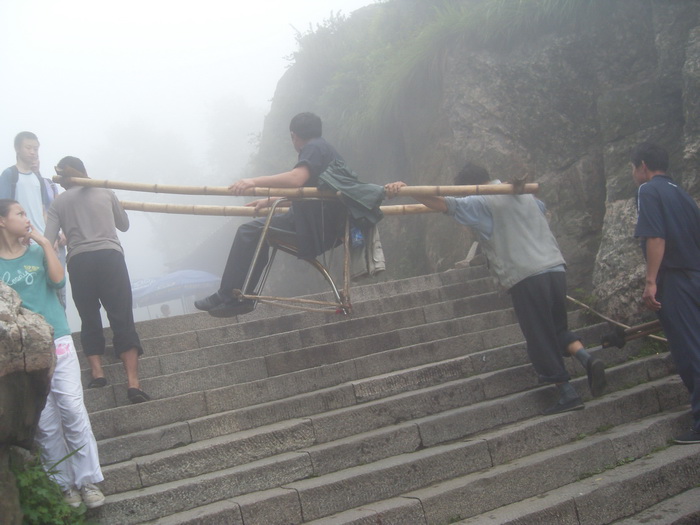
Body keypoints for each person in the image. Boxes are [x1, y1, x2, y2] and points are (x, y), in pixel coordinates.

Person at [385, 162, 607, 415]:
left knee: (539, 336)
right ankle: (588, 359)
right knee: (557, 328)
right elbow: (543, 211)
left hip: (526, 275)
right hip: (555, 268)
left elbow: (443, 204)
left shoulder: (481, 201)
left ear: (468, 188)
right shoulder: (521, 193)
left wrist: (407, 189)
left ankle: (567, 392)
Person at [0, 199, 105, 509]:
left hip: (57, 338)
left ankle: (88, 482)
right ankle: (64, 486)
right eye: (19, 213)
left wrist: (45, 243)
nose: (26, 217)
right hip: (28, 354)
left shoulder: (36, 251)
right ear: (2, 222)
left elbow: (58, 281)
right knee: (46, 422)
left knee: (72, 408)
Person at [195, 112, 346, 317]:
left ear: (294, 135)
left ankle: (228, 295)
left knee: (248, 231)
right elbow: (311, 193)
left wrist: (253, 181)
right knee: (257, 231)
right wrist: (270, 201)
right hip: (321, 224)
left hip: (312, 228)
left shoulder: (313, 148)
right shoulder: (325, 149)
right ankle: (239, 295)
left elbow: (296, 179)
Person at [45, 156, 150, 404]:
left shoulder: (58, 203)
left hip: (80, 262)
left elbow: (48, 240)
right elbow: (123, 225)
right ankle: (133, 383)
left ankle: (97, 373)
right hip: (110, 257)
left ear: (63, 180)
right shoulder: (105, 190)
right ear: (84, 171)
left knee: (89, 316)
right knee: (121, 316)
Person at [631, 142, 700, 445]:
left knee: (688, 351)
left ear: (643, 166)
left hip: (675, 279)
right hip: (695, 273)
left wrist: (650, 281)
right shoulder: (682, 194)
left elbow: (655, 236)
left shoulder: (649, 190)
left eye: (634, 168)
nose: (634, 174)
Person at [0, 132, 68, 307]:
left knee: (59, 290)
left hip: (45, 242)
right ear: (17, 148)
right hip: (25, 243)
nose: (33, 152)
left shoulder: (39, 178)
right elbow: (4, 209)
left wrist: (51, 236)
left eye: (35, 148)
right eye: (28, 148)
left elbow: (46, 210)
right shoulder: (9, 176)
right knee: (31, 294)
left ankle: (62, 332)